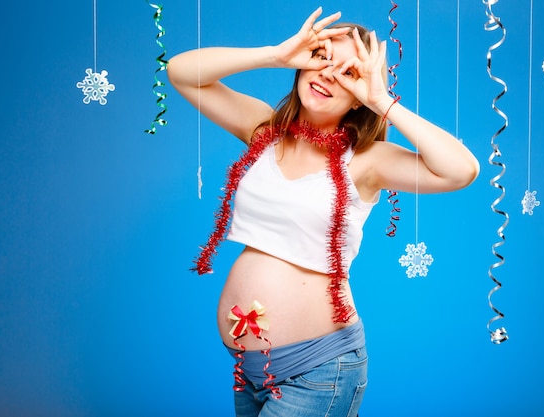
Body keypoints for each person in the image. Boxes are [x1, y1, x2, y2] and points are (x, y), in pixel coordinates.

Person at [167, 7, 479, 417]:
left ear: (359, 97)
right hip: (250, 370)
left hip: (318, 372)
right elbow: (181, 71)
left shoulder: (368, 161)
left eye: (348, 73)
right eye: (321, 57)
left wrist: (382, 100)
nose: (327, 74)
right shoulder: (265, 130)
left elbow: (462, 170)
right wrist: (275, 55)